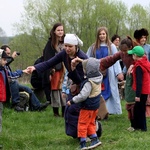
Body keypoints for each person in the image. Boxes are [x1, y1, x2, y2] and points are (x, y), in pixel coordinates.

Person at [27, 33, 88, 138]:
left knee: (79, 111)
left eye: (70, 46)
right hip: (74, 86)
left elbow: (80, 78)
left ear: (76, 46)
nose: (67, 48)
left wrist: (73, 69)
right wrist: (35, 68)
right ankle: (78, 135)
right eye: (66, 45)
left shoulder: (83, 57)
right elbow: (49, 63)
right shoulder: (64, 54)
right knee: (69, 111)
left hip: (85, 86)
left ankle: (89, 133)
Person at [67, 57, 102, 150]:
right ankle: (95, 139)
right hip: (95, 106)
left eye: (84, 68)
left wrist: (72, 100)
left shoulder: (89, 83)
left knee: (82, 123)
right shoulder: (98, 78)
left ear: (88, 70)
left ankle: (83, 143)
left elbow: (83, 95)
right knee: (91, 123)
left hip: (87, 106)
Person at [87, 27, 123, 115]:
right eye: (100, 34)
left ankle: (111, 110)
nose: (102, 36)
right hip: (97, 71)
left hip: (109, 72)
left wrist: (118, 72)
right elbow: (88, 58)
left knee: (110, 89)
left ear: (106, 35)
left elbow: (116, 59)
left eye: (103, 34)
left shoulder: (112, 46)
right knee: (97, 90)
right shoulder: (93, 47)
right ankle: (99, 110)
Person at [1, 45, 49, 112]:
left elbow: (10, 74)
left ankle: (37, 106)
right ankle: (16, 105)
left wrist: (22, 71)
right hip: (5, 87)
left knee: (27, 88)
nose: (8, 56)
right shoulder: (2, 67)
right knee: (13, 82)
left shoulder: (4, 66)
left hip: (9, 85)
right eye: (7, 53)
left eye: (9, 53)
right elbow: (10, 76)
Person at [42, 23, 65, 117]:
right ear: (54, 31)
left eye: (61, 30)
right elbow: (47, 57)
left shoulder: (66, 41)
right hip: (55, 70)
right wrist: (50, 71)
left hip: (65, 69)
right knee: (55, 90)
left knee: (65, 89)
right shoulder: (51, 43)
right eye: (58, 30)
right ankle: (56, 112)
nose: (60, 32)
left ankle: (64, 111)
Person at [127, 46, 150, 131]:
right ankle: (137, 126)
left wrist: (137, 95)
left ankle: (142, 127)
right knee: (138, 109)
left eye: (132, 55)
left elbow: (139, 82)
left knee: (139, 110)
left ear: (136, 56)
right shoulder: (145, 63)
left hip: (141, 92)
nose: (132, 56)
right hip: (145, 91)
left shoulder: (139, 67)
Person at [134, 28, 150, 117]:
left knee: (146, 92)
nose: (143, 39)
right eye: (142, 37)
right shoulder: (135, 47)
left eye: (145, 37)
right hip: (138, 71)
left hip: (147, 70)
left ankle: (147, 111)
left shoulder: (148, 47)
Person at [0, 49, 11, 149]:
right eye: (4, 59)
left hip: (1, 100)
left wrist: (23, 71)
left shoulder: (4, 70)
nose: (6, 61)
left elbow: (11, 76)